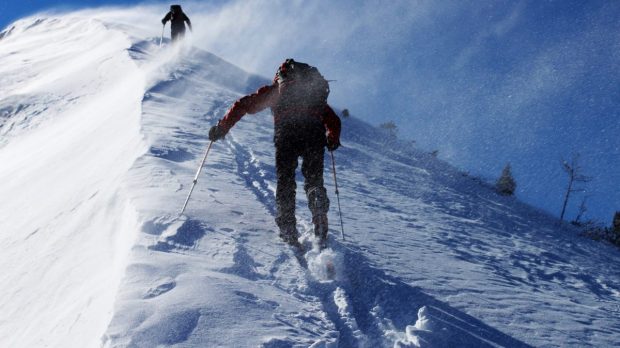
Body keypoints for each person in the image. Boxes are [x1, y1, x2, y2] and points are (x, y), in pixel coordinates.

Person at [208, 59, 341, 250]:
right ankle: (318, 203)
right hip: (314, 133)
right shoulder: (313, 94)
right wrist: (332, 139)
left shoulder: (277, 90)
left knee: (285, 179)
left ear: (281, 75)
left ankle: (287, 226)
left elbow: (244, 105)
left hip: (286, 133)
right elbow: (334, 120)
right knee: (313, 179)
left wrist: (222, 128)